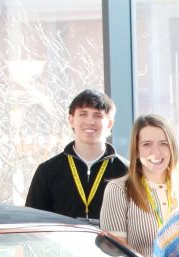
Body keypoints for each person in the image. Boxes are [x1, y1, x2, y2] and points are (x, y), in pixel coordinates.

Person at [98, 115, 179, 257]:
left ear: (172, 148)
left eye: (163, 143)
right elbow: (115, 255)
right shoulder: (118, 190)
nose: (156, 152)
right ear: (136, 151)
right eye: (147, 144)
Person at [23, 88, 125, 219]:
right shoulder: (47, 171)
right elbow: (33, 222)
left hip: (108, 240)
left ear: (110, 123)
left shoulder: (126, 172)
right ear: (71, 120)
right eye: (83, 114)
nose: (90, 121)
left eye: (98, 115)